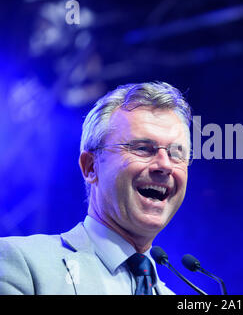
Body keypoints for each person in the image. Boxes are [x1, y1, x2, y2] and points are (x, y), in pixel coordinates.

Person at [0, 81, 192, 295]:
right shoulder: (21, 262)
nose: (165, 165)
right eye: (142, 148)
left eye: (176, 154)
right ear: (91, 167)